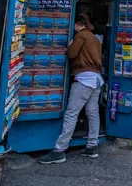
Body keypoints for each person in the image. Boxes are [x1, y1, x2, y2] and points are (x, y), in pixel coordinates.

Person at [39, 16, 103, 164]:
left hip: (84, 79)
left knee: (71, 114)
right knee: (93, 113)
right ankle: (92, 145)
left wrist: (69, 46)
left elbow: (72, 53)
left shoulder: (80, 35)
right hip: (96, 79)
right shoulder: (94, 38)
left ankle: (59, 150)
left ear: (76, 24)